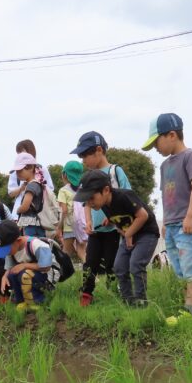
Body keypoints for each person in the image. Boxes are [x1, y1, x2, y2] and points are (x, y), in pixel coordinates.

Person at [142, 113, 192, 324]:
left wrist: (189, 216)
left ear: (171, 135)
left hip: (188, 223)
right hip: (171, 224)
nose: (156, 149)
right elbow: (165, 196)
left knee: (191, 266)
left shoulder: (191, 157)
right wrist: (165, 222)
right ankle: (186, 306)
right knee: (178, 267)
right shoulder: (164, 166)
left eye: (156, 143)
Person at [75, 170, 160, 306]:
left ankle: (141, 302)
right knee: (119, 267)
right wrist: (112, 222)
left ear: (106, 190)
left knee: (135, 265)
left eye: (92, 198)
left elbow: (143, 216)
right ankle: (128, 301)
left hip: (147, 233)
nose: (89, 203)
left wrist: (128, 233)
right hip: (129, 234)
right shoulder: (104, 206)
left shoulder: (124, 196)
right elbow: (121, 219)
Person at [70, 131, 131, 307]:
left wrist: (113, 218)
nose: (83, 161)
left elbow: (127, 196)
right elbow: (86, 203)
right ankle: (86, 294)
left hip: (114, 229)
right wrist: (88, 221)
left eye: (85, 156)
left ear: (98, 150)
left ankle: (114, 293)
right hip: (95, 230)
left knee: (111, 263)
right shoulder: (88, 177)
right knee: (90, 263)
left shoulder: (115, 171)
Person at [0, 220, 61, 311]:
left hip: (47, 274)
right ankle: (21, 300)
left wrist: (25, 265)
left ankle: (38, 300)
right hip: (31, 273)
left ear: (17, 240)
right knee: (12, 273)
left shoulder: (35, 245)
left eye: (6, 250)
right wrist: (5, 277)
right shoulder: (11, 252)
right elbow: (10, 268)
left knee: (25, 274)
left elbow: (46, 266)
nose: (6, 253)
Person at [8, 139, 55, 215]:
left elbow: (50, 190)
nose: (20, 155)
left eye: (22, 152)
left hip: (41, 213)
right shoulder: (15, 171)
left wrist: (37, 188)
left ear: (31, 151)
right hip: (19, 213)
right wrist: (21, 189)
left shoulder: (42, 169)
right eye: (18, 153)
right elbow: (10, 193)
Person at [56, 161, 87, 261]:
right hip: (82, 225)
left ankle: (64, 275)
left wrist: (59, 228)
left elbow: (64, 211)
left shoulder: (63, 190)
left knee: (65, 254)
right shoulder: (83, 189)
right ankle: (92, 274)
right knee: (82, 252)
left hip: (69, 226)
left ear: (65, 174)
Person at [12, 153, 46, 238]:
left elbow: (25, 206)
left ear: (31, 168)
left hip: (30, 223)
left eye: (20, 170)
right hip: (38, 222)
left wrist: (18, 210)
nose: (17, 173)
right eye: (16, 171)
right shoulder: (37, 184)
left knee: (30, 247)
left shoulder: (31, 185)